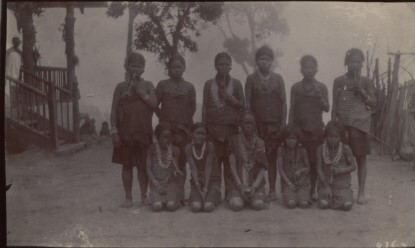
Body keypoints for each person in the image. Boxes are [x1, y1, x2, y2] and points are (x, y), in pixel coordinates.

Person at [110, 52, 157, 208]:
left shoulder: (149, 85)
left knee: (143, 166)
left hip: (143, 131)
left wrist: (140, 92)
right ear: (127, 67)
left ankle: (144, 196)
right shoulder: (120, 87)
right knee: (127, 165)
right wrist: (114, 131)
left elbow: (154, 105)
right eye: (133, 65)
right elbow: (114, 110)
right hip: (125, 133)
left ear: (144, 68)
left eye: (139, 66)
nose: (136, 68)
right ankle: (128, 197)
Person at [331, 48, 376, 204]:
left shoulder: (366, 81)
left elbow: (374, 103)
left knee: (361, 158)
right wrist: (333, 126)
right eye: (352, 62)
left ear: (362, 63)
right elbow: (334, 105)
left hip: (360, 125)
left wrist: (362, 92)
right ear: (347, 63)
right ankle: (341, 189)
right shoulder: (338, 81)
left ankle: (361, 192)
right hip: (343, 125)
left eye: (358, 62)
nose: (355, 65)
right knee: (341, 158)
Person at [245, 45, 287, 202]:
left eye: (268, 59)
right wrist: (249, 126)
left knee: (272, 157)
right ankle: (257, 187)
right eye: (262, 59)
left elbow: (284, 103)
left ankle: (272, 190)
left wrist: (283, 124)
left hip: (274, 126)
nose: (265, 62)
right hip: (257, 126)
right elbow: (247, 104)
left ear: (272, 62)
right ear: (257, 61)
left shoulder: (278, 79)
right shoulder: (251, 79)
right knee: (257, 157)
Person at [202, 52, 245, 201]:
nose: (224, 67)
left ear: (231, 66)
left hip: (231, 130)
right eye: (221, 64)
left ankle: (231, 190)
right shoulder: (208, 84)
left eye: (227, 64)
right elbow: (205, 108)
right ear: (215, 66)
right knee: (214, 160)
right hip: (213, 130)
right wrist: (204, 129)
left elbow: (243, 106)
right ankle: (215, 190)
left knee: (230, 160)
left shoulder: (237, 83)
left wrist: (231, 100)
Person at [288, 55, 330, 201]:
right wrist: (290, 130)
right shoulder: (296, 87)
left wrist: (320, 97)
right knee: (301, 161)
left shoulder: (322, 87)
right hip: (300, 131)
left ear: (316, 69)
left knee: (314, 161)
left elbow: (327, 108)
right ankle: (300, 189)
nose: (309, 70)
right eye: (306, 67)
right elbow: (291, 109)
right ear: (301, 69)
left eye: (312, 67)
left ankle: (312, 190)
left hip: (316, 130)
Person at [155, 54, 196, 201]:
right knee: (167, 161)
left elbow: (193, 107)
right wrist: (164, 119)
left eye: (179, 67)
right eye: (173, 67)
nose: (176, 70)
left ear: (184, 68)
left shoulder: (189, 87)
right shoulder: (162, 85)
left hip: (184, 131)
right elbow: (155, 105)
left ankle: (180, 194)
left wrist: (183, 122)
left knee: (182, 161)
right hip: (167, 131)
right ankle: (167, 193)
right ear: (168, 69)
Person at [227, 112, 267, 211]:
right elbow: (232, 165)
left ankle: (253, 196)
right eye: (246, 123)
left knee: (258, 205)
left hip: (255, 183)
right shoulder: (233, 140)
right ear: (241, 125)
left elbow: (262, 168)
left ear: (255, 125)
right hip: (237, 183)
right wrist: (240, 186)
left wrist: (254, 186)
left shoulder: (260, 142)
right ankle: (237, 196)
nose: (249, 126)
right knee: (236, 205)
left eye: (251, 123)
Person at [317, 121, 356, 210]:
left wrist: (341, 170)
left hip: (342, 184)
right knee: (324, 205)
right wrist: (326, 186)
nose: (333, 139)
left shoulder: (345, 148)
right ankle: (327, 196)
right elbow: (319, 169)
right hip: (325, 183)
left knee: (347, 205)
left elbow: (353, 166)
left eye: (336, 137)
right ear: (325, 136)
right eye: (330, 137)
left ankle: (345, 197)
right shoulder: (320, 149)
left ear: (341, 137)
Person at [147, 123, 184, 212]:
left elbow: (175, 168)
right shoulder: (152, 148)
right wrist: (156, 184)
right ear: (157, 137)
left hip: (170, 183)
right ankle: (156, 198)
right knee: (157, 207)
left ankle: (172, 200)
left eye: (168, 137)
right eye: (163, 137)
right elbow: (148, 169)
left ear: (172, 138)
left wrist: (176, 173)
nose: (165, 140)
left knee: (171, 206)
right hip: (156, 183)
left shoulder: (175, 150)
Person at [185, 123, 221, 212]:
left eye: (203, 134)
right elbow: (193, 169)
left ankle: (215, 195)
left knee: (208, 207)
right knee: (196, 207)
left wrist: (205, 188)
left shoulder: (210, 146)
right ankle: (199, 196)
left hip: (212, 181)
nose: (200, 136)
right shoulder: (188, 148)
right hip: (197, 182)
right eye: (198, 133)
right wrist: (198, 186)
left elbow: (208, 167)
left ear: (206, 136)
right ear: (192, 134)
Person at [277, 124, 311, 209]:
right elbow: (280, 170)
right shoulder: (281, 150)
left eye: (294, 139)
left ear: (298, 139)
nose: (291, 141)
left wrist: (301, 171)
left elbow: (308, 168)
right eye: (288, 138)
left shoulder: (303, 150)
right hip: (288, 183)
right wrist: (289, 183)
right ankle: (290, 195)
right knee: (291, 204)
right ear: (284, 139)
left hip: (302, 183)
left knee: (304, 204)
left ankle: (302, 195)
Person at [5, 37, 22, 109]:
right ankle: (9, 105)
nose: (17, 44)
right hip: (9, 73)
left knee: (16, 89)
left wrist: (20, 74)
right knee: (8, 89)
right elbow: (5, 62)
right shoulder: (8, 51)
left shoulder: (20, 52)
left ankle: (15, 105)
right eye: (16, 42)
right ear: (13, 42)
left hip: (17, 73)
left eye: (18, 42)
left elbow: (20, 64)